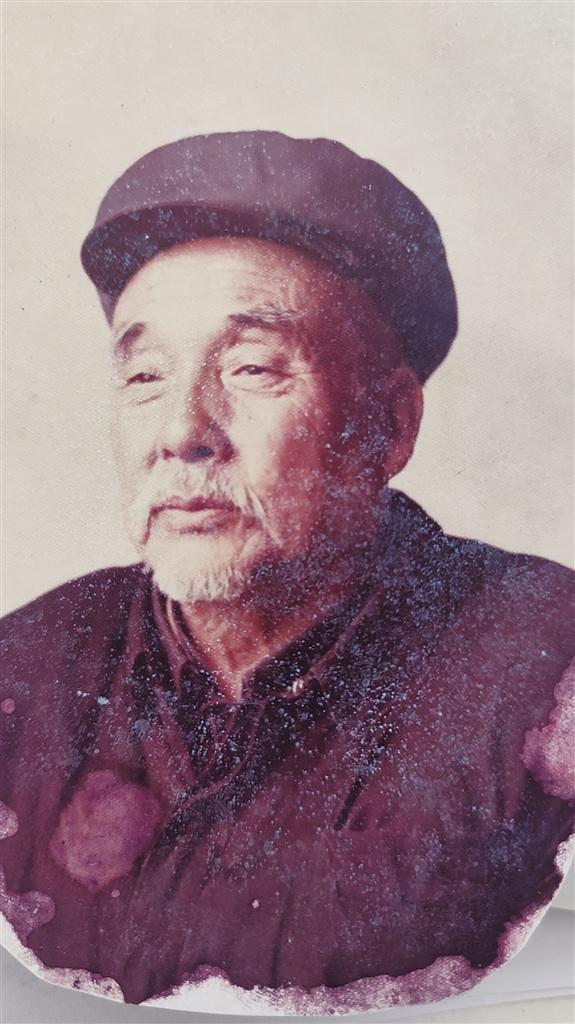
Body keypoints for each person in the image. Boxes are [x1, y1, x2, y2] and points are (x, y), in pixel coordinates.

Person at [1, 131, 573, 1013]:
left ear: (387, 425)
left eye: (252, 368)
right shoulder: (26, 667)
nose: (181, 432)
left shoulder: (547, 664)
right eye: (145, 375)